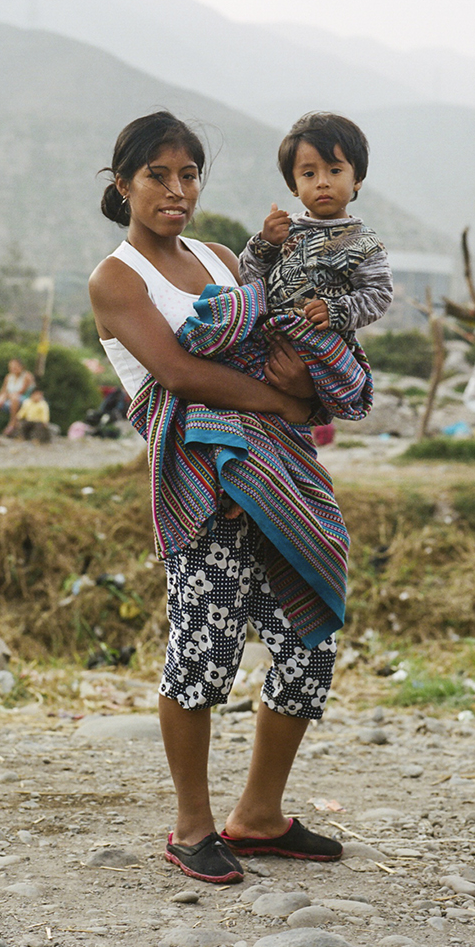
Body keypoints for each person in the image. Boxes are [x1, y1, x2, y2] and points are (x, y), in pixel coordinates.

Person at [89, 110, 366, 886]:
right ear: (125, 185)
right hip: (204, 488)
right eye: (158, 176)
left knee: (307, 649)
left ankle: (260, 816)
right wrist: (280, 405)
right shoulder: (116, 278)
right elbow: (177, 373)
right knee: (202, 656)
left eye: (188, 175)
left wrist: (307, 381)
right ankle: (190, 826)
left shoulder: (219, 256)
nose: (176, 190)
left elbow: (274, 334)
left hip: (274, 483)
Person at [238, 113, 393, 337]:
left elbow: (379, 295)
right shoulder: (283, 231)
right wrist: (264, 244)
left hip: (324, 348)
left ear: (357, 178)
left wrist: (335, 312)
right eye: (309, 174)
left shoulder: (363, 242)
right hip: (269, 341)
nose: (322, 182)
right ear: (294, 186)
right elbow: (247, 279)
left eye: (335, 171)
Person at [0, 358, 35, 436]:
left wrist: (7, 396)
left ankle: (12, 424)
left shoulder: (27, 376)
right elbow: (3, 391)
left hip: (24, 400)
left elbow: (22, 391)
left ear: (21, 366)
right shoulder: (8, 377)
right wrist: (1, 398)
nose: (13, 368)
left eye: (15, 366)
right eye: (11, 366)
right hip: (10, 399)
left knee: (14, 397)